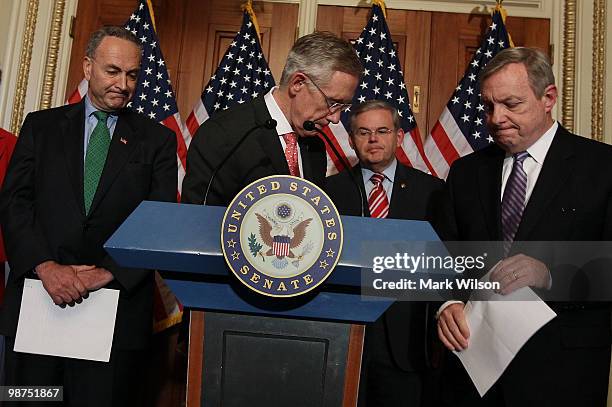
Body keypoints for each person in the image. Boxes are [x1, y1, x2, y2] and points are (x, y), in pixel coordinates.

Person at [0, 26, 177, 406]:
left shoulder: (157, 141)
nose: (123, 84)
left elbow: (157, 220)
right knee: (29, 399)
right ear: (87, 66)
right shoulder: (41, 126)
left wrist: (106, 272)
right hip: (38, 304)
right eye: (113, 71)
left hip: (114, 312)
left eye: (132, 75)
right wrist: (47, 267)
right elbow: (15, 202)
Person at [436, 47, 612, 406]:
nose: (496, 118)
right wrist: (446, 303)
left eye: (510, 104)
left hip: (563, 373)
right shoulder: (466, 172)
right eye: (488, 106)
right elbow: (442, 255)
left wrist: (550, 271)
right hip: (474, 371)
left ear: (548, 98)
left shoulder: (603, 167)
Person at [325, 100, 444, 406]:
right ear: (351, 140)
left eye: (382, 131)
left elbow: (443, 265)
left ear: (399, 137)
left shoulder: (434, 192)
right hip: (343, 338)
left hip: (406, 344)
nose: (373, 139)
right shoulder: (327, 193)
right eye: (363, 132)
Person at [181, 31, 362, 206]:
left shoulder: (315, 146)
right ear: (298, 83)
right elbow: (198, 219)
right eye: (332, 102)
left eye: (343, 106)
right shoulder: (223, 135)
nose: (336, 118)